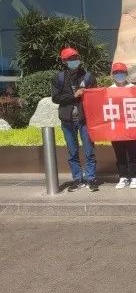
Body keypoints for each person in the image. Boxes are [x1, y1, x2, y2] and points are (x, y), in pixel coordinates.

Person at [51, 47, 98, 192]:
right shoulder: (59, 78)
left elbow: (95, 96)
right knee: (72, 152)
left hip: (85, 120)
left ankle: (91, 178)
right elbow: (55, 98)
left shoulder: (88, 77)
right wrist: (74, 96)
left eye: (76, 57)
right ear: (64, 61)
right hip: (67, 120)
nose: (74, 61)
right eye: (71, 59)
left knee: (89, 151)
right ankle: (78, 179)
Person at [109, 62, 136, 189]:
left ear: (126, 74)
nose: (119, 75)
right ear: (112, 75)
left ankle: (134, 176)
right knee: (119, 152)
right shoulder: (109, 90)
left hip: (132, 125)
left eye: (121, 72)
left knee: (133, 152)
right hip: (116, 126)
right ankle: (123, 176)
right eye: (116, 73)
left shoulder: (133, 88)